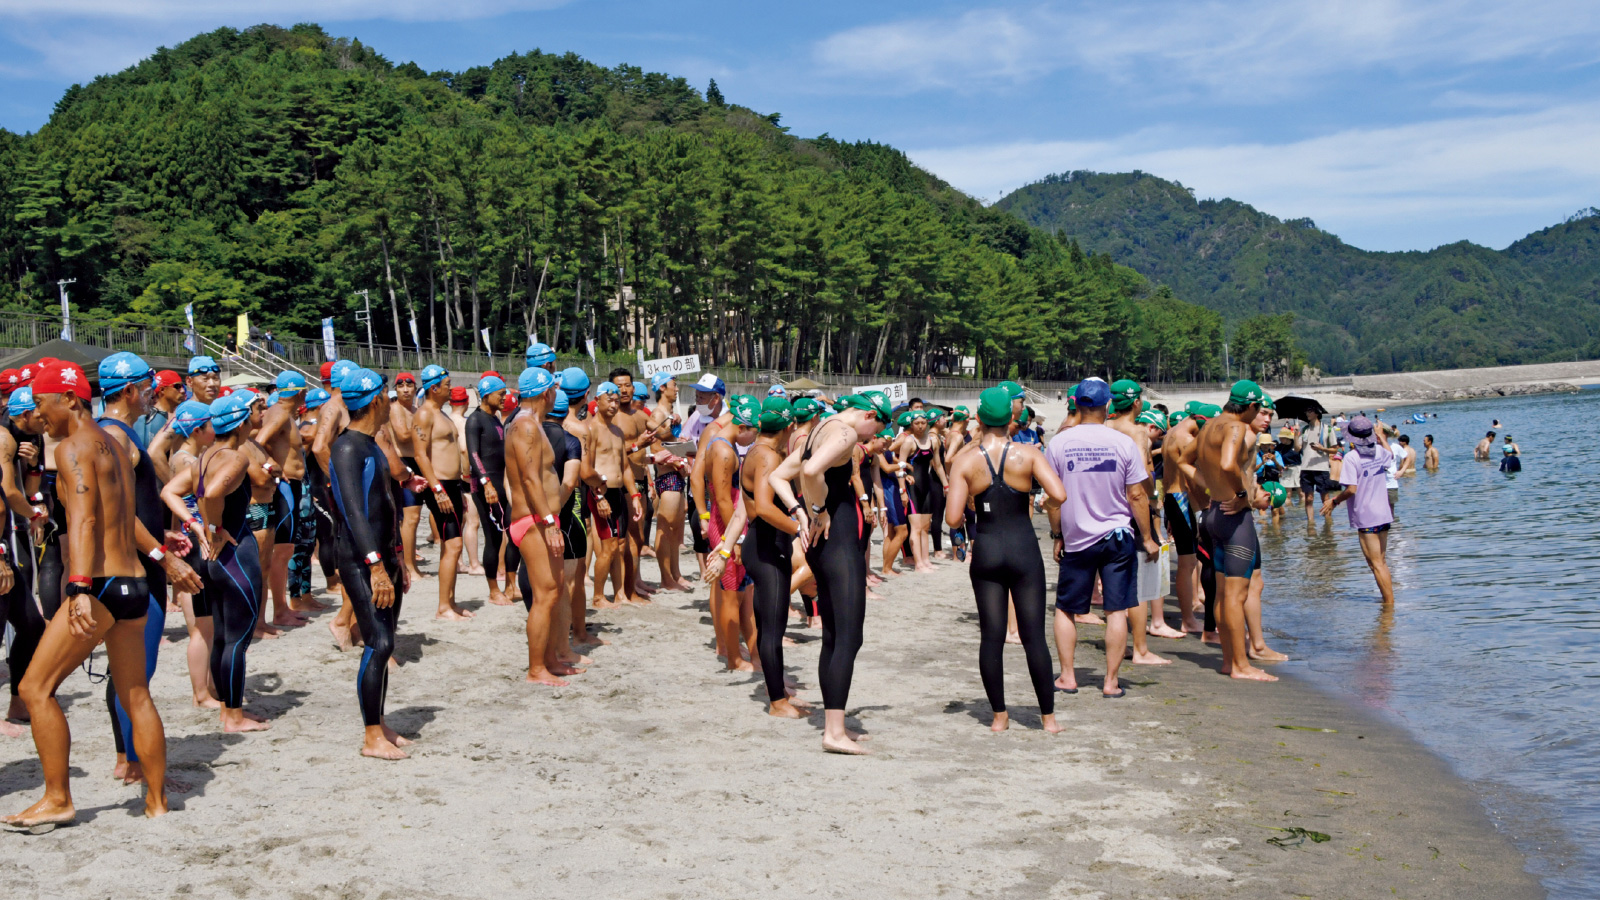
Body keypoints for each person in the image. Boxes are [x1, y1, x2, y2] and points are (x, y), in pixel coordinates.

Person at [4, 362, 179, 828]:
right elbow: (127, 518)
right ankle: (157, 802)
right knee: (136, 693)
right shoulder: (116, 448)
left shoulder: (74, 448)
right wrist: (163, 557)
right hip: (135, 583)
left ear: (70, 400)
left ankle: (58, 798)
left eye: (41, 402)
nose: (37, 414)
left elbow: (82, 519)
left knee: (33, 688)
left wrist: (78, 587)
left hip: (98, 585)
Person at [769, 391, 890, 755]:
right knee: (849, 638)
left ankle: (833, 724)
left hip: (821, 547)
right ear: (870, 415)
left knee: (834, 637)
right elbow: (808, 471)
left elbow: (779, 476)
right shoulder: (846, 434)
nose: (870, 439)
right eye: (877, 430)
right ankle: (833, 733)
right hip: (838, 546)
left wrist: (799, 511)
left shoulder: (821, 426)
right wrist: (818, 509)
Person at [946, 387, 1064, 733]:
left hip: (987, 548)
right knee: (1034, 638)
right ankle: (1049, 719)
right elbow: (1059, 494)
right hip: (1023, 547)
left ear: (979, 419)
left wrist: (969, 498)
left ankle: (999, 717)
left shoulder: (965, 462)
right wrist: (1042, 503)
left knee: (991, 636)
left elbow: (953, 519)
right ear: (1012, 418)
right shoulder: (1028, 454)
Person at [1045, 379, 1162, 700]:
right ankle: (1110, 682)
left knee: (1067, 609)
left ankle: (1068, 676)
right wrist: (1149, 538)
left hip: (1077, 538)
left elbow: (1053, 499)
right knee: (1116, 609)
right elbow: (1137, 494)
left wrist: (1057, 535)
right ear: (1107, 405)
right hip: (1117, 537)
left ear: (1077, 405)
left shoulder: (1059, 443)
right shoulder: (1122, 442)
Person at [327, 369, 416, 759]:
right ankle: (370, 736)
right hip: (361, 559)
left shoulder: (371, 444)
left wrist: (398, 558)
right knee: (378, 643)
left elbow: (386, 506)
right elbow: (354, 514)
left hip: (381, 555)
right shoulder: (348, 449)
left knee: (386, 641)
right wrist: (376, 566)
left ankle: (379, 723)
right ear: (377, 400)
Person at [1194, 381, 1277, 683]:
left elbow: (1184, 459)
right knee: (1236, 595)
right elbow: (1229, 463)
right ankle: (1241, 666)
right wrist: (1242, 494)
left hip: (1213, 512)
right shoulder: (1236, 427)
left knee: (1222, 592)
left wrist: (1210, 486)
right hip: (1234, 518)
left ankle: (1230, 661)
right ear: (1251, 407)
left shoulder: (1208, 427)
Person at [503, 367, 575, 686]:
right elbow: (531, 479)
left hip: (543, 518)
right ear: (547, 393)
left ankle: (549, 660)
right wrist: (548, 522)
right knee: (545, 594)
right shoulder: (525, 426)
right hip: (534, 521)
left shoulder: (533, 424)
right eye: (555, 388)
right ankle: (536, 669)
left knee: (554, 590)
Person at [1106, 379, 1181, 650]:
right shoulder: (1136, 433)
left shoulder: (1104, 427)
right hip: (1132, 507)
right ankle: (1140, 647)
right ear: (1136, 402)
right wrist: (1151, 498)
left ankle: (1118, 640)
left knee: (1114, 578)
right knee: (1137, 581)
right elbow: (1138, 475)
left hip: (1106, 508)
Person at [746, 396, 809, 718]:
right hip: (767, 548)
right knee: (772, 628)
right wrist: (801, 528)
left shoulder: (759, 452)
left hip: (766, 545)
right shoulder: (768, 458)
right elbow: (764, 507)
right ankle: (776, 703)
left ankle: (778, 692)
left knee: (772, 625)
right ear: (788, 426)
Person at [704, 395, 759, 671]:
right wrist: (734, 540)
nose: (753, 440)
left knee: (743, 593)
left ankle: (747, 654)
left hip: (727, 524)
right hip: (725, 526)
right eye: (754, 433)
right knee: (731, 594)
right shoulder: (725, 451)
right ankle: (733, 660)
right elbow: (724, 500)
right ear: (743, 427)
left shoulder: (716, 442)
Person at [412, 366, 471, 619]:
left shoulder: (442, 414)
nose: (450, 387)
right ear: (434, 388)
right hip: (441, 485)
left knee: (453, 546)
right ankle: (443, 607)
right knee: (454, 545)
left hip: (453, 485)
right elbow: (419, 454)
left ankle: (451, 602)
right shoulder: (425, 414)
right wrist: (436, 488)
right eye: (447, 384)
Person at [257, 371, 311, 630]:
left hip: (292, 485)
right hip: (286, 487)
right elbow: (259, 442)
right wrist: (272, 467)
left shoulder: (283, 413)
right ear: (300, 392)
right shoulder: (279, 413)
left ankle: (281, 609)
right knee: (282, 551)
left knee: (283, 550)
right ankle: (279, 611)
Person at [1323, 416, 1395, 606]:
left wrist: (1334, 501)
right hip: (1384, 513)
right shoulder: (1379, 451)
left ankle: (1388, 606)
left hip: (1366, 516)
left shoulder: (1352, 458)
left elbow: (1351, 489)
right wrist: (1382, 437)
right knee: (1380, 562)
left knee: (1376, 564)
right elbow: (1391, 456)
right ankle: (1387, 603)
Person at [589, 382, 644, 607]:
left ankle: (620, 593)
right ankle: (598, 596)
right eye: (608, 400)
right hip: (601, 493)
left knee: (620, 545)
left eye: (615, 400)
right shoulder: (591, 429)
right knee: (608, 546)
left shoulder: (617, 431)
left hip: (619, 493)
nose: (613, 404)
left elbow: (625, 468)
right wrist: (598, 496)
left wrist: (634, 496)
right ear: (598, 400)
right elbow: (587, 468)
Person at [467, 374, 519, 607]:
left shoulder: (496, 419)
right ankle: (493, 589)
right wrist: (486, 483)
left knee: (513, 535)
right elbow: (474, 454)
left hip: (502, 485)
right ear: (487, 395)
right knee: (494, 537)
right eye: (500, 394)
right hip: (486, 487)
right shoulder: (475, 420)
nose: (504, 398)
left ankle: (511, 584)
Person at [644, 371, 692, 591]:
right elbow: (655, 447)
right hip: (667, 475)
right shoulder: (657, 414)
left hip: (675, 475)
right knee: (665, 528)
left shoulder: (668, 413)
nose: (677, 388)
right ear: (662, 387)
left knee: (675, 530)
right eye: (674, 384)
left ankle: (675, 573)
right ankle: (666, 578)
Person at [387, 371, 428, 584]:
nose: (405, 390)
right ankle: (409, 566)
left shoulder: (415, 410)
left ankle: (412, 562)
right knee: (409, 519)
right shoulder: (395, 409)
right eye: (401, 386)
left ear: (414, 388)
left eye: (409, 386)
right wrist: (423, 430)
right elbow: (402, 435)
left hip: (415, 463)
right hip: (403, 463)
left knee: (414, 517)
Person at [1296, 409, 1337, 524]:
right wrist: (1295, 434)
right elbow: (1297, 448)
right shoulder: (1304, 430)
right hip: (1306, 468)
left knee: (1325, 498)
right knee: (1309, 498)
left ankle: (1328, 523)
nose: (1307, 413)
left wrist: (1322, 448)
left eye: (1310, 411)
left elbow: (1334, 449)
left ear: (1317, 413)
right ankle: (1311, 524)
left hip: (1321, 467)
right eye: (1307, 411)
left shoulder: (1327, 429)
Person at [134, 370, 185, 446]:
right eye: (177, 387)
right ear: (162, 390)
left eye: (182, 386)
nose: (183, 391)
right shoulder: (147, 418)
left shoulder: (183, 416)